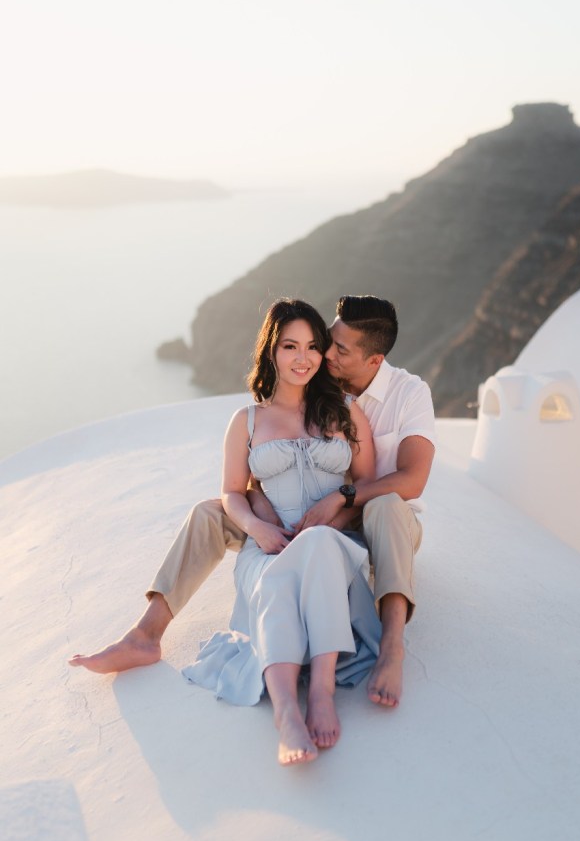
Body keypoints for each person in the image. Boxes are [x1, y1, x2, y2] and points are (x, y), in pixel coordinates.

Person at [70, 295, 436, 708]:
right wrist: (258, 512)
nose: (322, 355)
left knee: (383, 504)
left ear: (373, 360)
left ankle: (391, 646)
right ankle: (145, 636)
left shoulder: (395, 397)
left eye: (329, 348)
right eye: (319, 343)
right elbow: (255, 467)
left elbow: (398, 481)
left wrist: (337, 504)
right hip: (287, 519)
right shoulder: (296, 388)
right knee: (209, 512)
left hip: (362, 520)